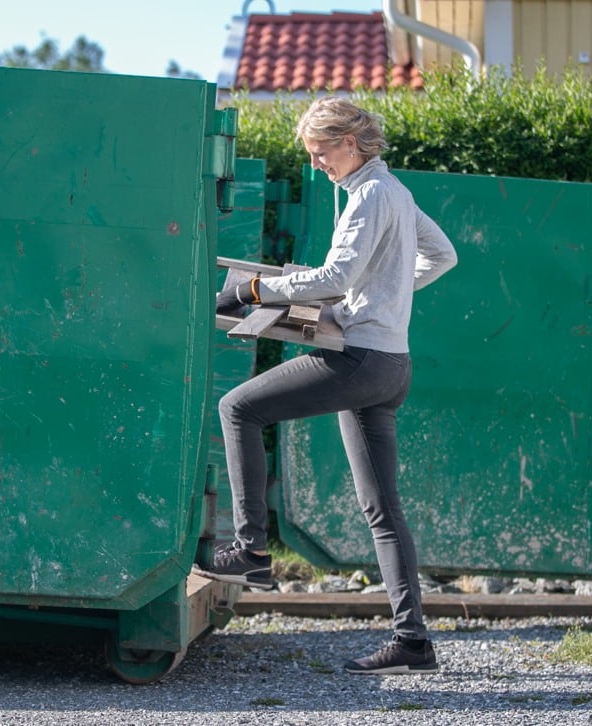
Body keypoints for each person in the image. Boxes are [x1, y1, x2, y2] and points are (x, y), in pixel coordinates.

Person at [194, 96, 458, 675]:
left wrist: (256, 291)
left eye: (320, 153)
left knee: (237, 407)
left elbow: (337, 277)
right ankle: (412, 641)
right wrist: (384, 300)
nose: (316, 165)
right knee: (383, 510)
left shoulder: (368, 195)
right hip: (391, 365)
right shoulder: (397, 192)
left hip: (359, 360)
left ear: (349, 142)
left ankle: (251, 551)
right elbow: (443, 256)